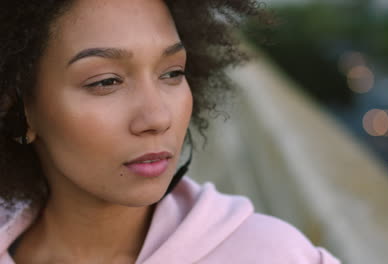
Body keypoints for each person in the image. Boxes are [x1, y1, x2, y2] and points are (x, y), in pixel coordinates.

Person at [0, 0, 341, 263]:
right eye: (106, 81)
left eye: (172, 73)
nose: (157, 117)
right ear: (20, 108)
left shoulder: (274, 255)